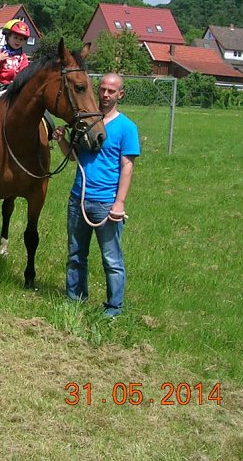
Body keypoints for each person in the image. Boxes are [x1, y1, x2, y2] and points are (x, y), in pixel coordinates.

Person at [52, 73, 140, 317]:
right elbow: (73, 157)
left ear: (120, 94)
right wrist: (62, 141)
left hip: (106, 203)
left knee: (111, 260)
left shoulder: (127, 128)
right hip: (78, 198)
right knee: (76, 254)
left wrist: (119, 203)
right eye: (102, 89)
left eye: (111, 91)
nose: (105, 95)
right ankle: (75, 299)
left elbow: (127, 166)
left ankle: (114, 308)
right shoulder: (86, 122)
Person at [0, 18, 31, 96]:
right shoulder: (1, 53)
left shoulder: (23, 57)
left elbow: (24, 72)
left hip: (15, 86)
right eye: (15, 37)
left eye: (21, 39)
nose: (18, 41)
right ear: (8, 37)